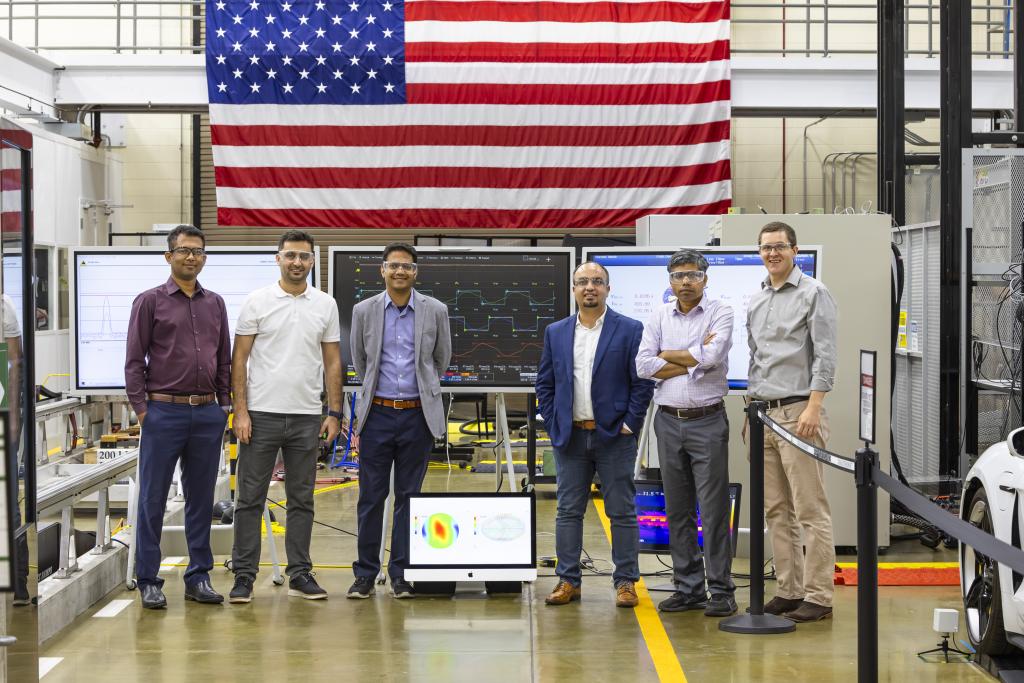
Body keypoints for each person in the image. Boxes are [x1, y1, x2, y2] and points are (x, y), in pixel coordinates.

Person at [228, 230, 342, 603]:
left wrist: (334, 412)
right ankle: (243, 575)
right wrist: (240, 412)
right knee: (249, 498)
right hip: (260, 416)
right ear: (278, 258)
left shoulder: (325, 304)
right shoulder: (257, 301)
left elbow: (332, 361)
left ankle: (299, 573)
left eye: (304, 257)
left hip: (307, 416)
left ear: (312, 261)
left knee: (302, 499)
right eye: (290, 255)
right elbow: (239, 359)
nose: (297, 262)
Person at [536, 261, 654, 608]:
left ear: (607, 288)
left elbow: (642, 381)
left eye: (597, 282)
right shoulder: (556, 332)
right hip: (570, 437)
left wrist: (630, 423)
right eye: (583, 282)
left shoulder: (630, 330)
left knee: (622, 511)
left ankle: (626, 582)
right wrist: (553, 418)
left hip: (615, 437)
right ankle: (568, 580)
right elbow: (546, 381)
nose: (590, 287)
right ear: (573, 289)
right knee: (568, 510)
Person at [125, 225, 231, 609]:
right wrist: (143, 411)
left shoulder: (215, 303)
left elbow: (224, 359)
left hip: (207, 413)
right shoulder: (150, 301)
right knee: (152, 498)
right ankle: (149, 579)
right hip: (163, 412)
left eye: (198, 251)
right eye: (184, 250)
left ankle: (198, 576)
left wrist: (224, 407)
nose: (192, 257)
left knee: (202, 499)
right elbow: (134, 362)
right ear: (168, 256)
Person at [635, 249, 737, 617]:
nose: (686, 281)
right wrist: (691, 358)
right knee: (677, 510)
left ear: (705, 279)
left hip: (707, 421)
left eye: (693, 274)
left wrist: (671, 355)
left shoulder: (720, 311)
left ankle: (722, 591)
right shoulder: (659, 315)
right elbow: (643, 365)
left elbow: (712, 357)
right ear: (670, 280)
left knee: (711, 511)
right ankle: (689, 588)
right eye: (678, 275)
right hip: (667, 421)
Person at [347, 243, 451, 599]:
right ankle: (364, 574)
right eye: (393, 266)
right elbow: (362, 362)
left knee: (410, 497)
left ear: (415, 272)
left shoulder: (435, 310)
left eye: (406, 266)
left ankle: (402, 574)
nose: (400, 272)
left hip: (416, 416)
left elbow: (440, 360)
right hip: (376, 414)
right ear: (383, 270)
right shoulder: (364, 310)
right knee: (371, 497)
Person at [747, 221, 839, 623]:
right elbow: (756, 357)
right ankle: (789, 589)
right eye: (766, 247)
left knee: (810, 509)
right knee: (776, 510)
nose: (772, 253)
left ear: (795, 250)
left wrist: (814, 408)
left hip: (799, 414)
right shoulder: (757, 298)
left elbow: (826, 355)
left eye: (780, 247)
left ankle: (819, 596)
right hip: (762, 415)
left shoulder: (814, 294)